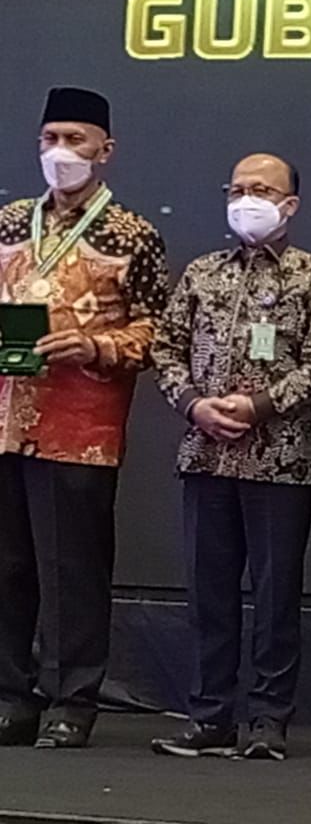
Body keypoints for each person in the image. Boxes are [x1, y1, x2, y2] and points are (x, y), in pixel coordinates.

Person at [149, 154, 311, 761]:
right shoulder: (203, 273)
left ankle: (268, 720)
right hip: (205, 457)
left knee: (275, 597)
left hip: (280, 462)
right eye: (237, 189)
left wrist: (257, 406)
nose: (246, 200)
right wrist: (194, 405)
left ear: (290, 204)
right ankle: (210, 715)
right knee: (209, 596)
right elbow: (165, 347)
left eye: (261, 190)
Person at [0, 87, 168, 749]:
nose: (60, 152)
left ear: (106, 150)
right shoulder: (9, 222)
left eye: (75, 140)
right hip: (5, 421)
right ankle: (10, 698)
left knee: (71, 571)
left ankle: (72, 700)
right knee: (6, 567)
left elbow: (158, 333)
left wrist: (96, 346)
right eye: (51, 139)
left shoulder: (131, 234)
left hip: (80, 429)